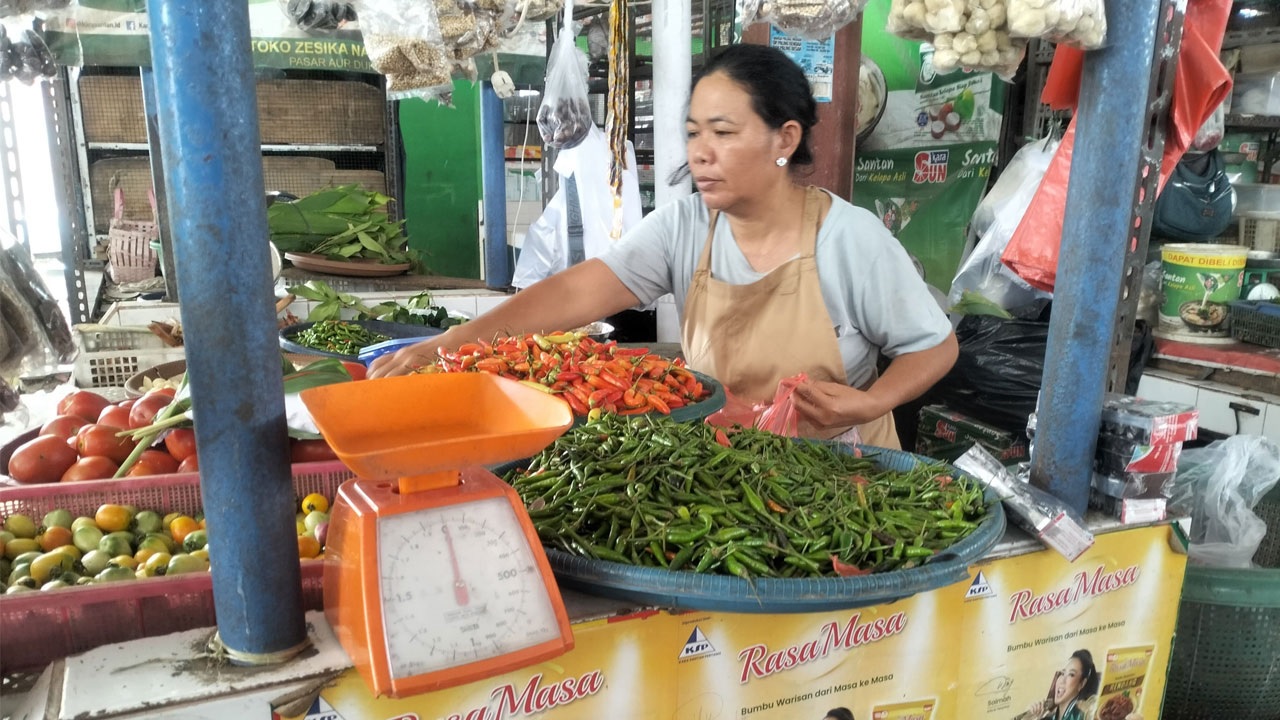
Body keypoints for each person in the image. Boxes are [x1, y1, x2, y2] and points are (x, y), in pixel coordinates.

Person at [370, 44, 958, 447]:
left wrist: (869, 402)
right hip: (718, 474)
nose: (700, 152)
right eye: (694, 132)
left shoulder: (847, 237)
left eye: (723, 133)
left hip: (838, 485)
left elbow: (933, 347)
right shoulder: (685, 227)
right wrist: (451, 345)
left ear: (786, 138)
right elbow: (576, 291)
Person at [1016, 650, 1100, 720]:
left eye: (1071, 674)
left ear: (1082, 683)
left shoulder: (1083, 716)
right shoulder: (1048, 717)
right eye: (1063, 673)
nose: (1062, 680)